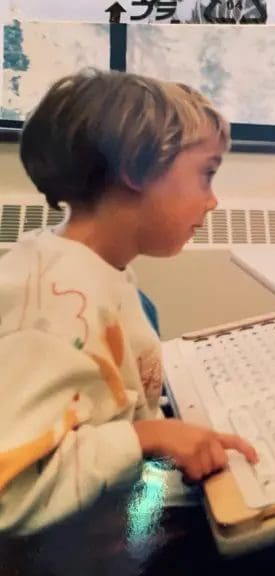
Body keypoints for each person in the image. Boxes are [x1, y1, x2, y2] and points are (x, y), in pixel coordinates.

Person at [0, 68, 258, 535]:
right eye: (206, 174)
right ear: (135, 169)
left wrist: (168, 436)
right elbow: (10, 490)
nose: (212, 201)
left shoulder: (97, 270)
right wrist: (147, 437)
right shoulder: (54, 302)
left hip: (123, 516)